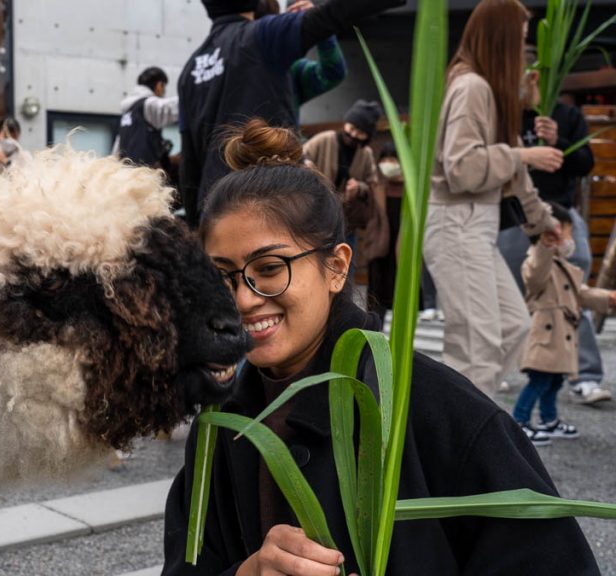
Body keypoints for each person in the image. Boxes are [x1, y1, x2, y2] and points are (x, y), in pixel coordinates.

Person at [161, 119, 599, 576]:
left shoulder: (440, 412)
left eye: (270, 268)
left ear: (336, 267)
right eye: (222, 275)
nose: (244, 298)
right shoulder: (218, 426)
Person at [423, 0, 563, 396]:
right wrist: (523, 154)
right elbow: (462, 167)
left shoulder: (486, 91)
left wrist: (543, 223)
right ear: (501, 40)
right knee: (476, 346)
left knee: (510, 325)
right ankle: (460, 448)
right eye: (519, 39)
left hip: (469, 226)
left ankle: (463, 433)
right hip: (456, 223)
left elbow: (513, 174)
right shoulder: (472, 87)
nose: (525, 49)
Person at [176, 0, 404, 228]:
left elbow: (190, 160)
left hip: (215, 209)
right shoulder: (262, 37)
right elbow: (333, 14)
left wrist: (196, 227)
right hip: (267, 202)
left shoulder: (190, 70)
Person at [498, 48, 610, 404]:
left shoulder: (567, 114)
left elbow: (584, 164)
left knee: (571, 288)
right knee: (506, 295)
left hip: (559, 215)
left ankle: (586, 376)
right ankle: (499, 370)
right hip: (515, 219)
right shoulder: (505, 117)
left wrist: (557, 141)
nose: (528, 79)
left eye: (534, 72)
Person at [514, 202, 616, 446]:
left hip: (561, 337)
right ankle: (519, 421)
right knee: (539, 381)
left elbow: (581, 293)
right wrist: (545, 247)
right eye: (566, 232)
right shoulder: (538, 261)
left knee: (554, 381)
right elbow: (535, 277)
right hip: (546, 337)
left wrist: (608, 298)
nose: (570, 238)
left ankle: (550, 421)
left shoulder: (564, 266)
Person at [255, 0, 348, 127]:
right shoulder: (229, 65)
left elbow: (333, 73)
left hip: (283, 144)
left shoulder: (289, 69)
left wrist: (319, 23)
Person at [304, 99, 382, 238]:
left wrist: (359, 187)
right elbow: (300, 156)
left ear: (367, 136)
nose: (353, 135)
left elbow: (372, 184)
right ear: (346, 123)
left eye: (360, 133)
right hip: (316, 214)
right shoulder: (324, 139)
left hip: (347, 220)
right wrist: (307, 166)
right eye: (352, 128)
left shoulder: (366, 154)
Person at [113, 66, 180, 170]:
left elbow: (116, 150)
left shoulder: (128, 113)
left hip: (124, 176)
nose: (163, 93)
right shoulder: (147, 105)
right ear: (159, 85)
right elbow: (174, 107)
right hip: (143, 176)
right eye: (164, 87)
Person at [365, 143, 404, 319]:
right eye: (385, 159)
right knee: (377, 299)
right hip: (380, 247)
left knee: (401, 293)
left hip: (402, 248)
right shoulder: (376, 187)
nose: (388, 163)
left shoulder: (413, 190)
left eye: (393, 159)